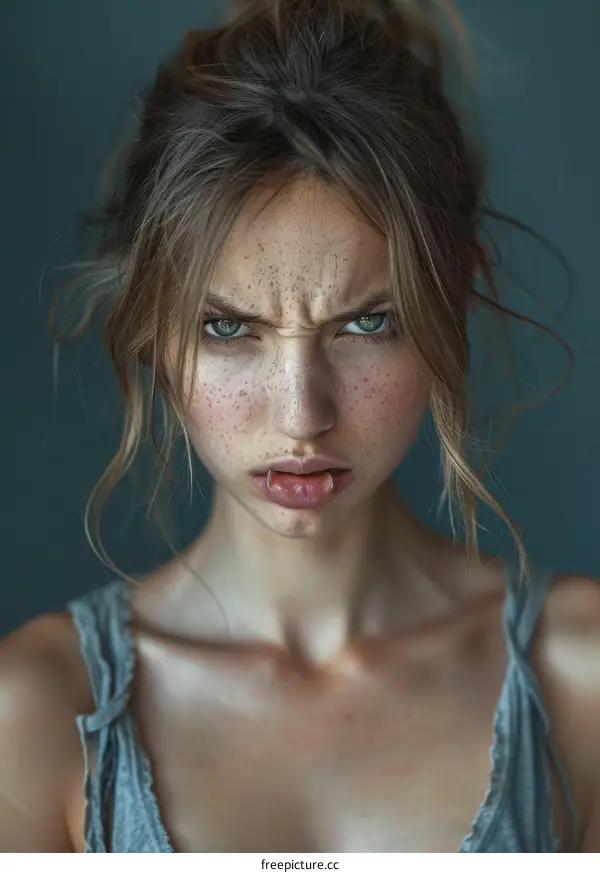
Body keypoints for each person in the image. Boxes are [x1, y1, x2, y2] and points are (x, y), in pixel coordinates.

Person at [0, 0, 598, 854]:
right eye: (227, 326)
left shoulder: (582, 688)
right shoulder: (33, 719)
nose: (301, 413)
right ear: (151, 325)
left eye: (365, 323)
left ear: (455, 296)